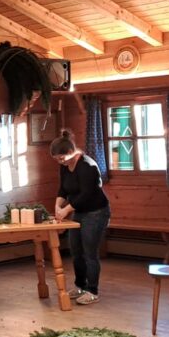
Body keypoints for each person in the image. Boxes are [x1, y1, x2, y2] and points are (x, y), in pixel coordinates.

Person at [50, 129, 111, 305]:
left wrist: (66, 210)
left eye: (61, 158)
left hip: (96, 212)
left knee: (89, 252)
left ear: (71, 152)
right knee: (76, 251)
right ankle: (80, 286)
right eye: (56, 159)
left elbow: (86, 193)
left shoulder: (86, 166)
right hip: (79, 211)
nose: (60, 162)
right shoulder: (64, 167)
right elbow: (63, 189)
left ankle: (92, 290)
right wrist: (57, 206)